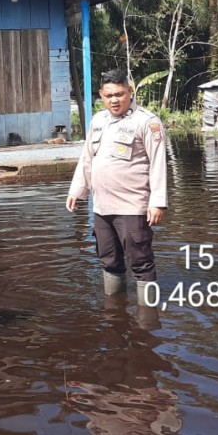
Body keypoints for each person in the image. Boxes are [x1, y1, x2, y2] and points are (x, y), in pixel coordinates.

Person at [66, 69, 168, 303]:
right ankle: (114, 310)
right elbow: (87, 157)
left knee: (141, 262)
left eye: (120, 94)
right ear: (101, 95)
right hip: (102, 208)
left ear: (129, 92)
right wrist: (77, 190)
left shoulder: (147, 121)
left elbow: (158, 162)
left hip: (132, 207)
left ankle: (147, 317)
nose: (114, 100)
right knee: (109, 260)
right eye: (109, 95)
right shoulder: (99, 120)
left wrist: (157, 202)